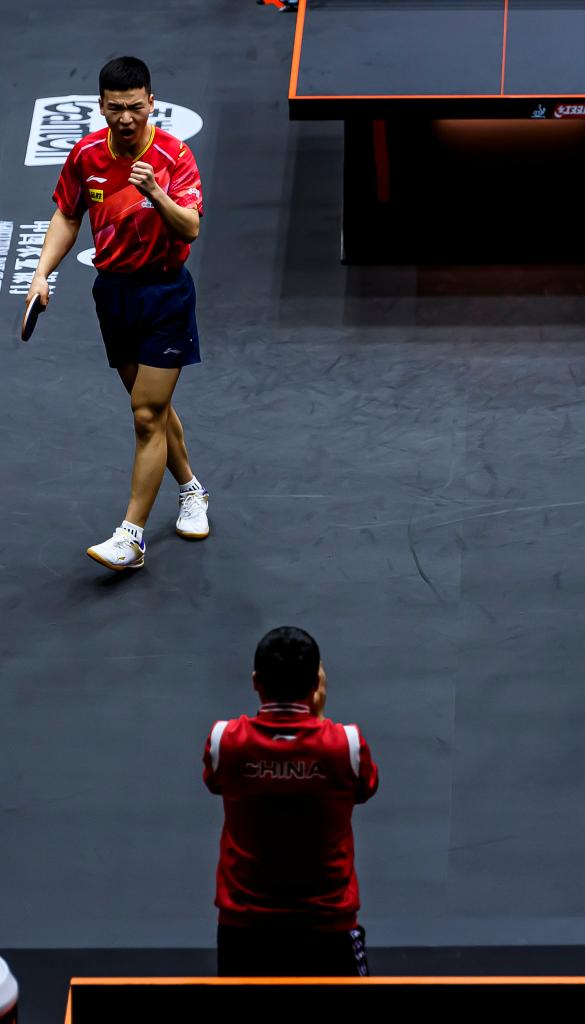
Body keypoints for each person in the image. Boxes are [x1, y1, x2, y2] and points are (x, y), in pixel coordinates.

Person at [26, 56, 209, 571]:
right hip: (113, 294)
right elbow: (67, 214)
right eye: (114, 108)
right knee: (152, 408)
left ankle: (131, 538)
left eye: (134, 107)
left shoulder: (174, 156)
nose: (125, 118)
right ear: (101, 106)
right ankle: (192, 489)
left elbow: (190, 226)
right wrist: (41, 273)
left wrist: (154, 191)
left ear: (151, 102)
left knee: (147, 415)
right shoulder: (86, 154)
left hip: (165, 294)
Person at [203, 627, 378, 977]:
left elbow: (215, 782)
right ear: (316, 683)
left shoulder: (225, 740)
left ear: (256, 681)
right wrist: (317, 721)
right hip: (328, 928)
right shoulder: (346, 745)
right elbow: (364, 789)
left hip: (243, 932)